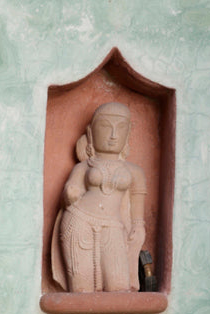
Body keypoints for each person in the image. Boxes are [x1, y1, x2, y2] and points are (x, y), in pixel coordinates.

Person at [51, 101, 147, 293]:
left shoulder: (134, 172)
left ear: (128, 133)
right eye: (105, 127)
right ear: (91, 132)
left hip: (113, 226)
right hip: (78, 220)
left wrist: (138, 226)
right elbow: (69, 191)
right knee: (81, 287)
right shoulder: (83, 167)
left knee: (119, 286)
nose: (113, 135)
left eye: (120, 128)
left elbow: (137, 206)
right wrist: (70, 193)